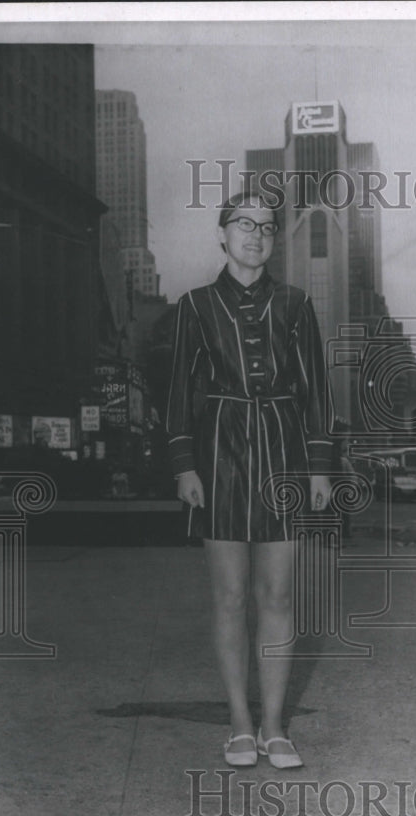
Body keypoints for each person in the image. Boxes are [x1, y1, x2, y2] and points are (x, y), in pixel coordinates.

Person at [166, 192, 334, 769]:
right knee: (230, 597)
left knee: (279, 596)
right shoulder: (194, 305)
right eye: (244, 224)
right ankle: (239, 723)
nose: (256, 235)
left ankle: (274, 726)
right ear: (222, 234)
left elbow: (316, 391)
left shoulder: (296, 303)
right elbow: (177, 394)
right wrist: (184, 464)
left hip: (284, 452)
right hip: (219, 454)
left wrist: (319, 466)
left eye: (266, 227)